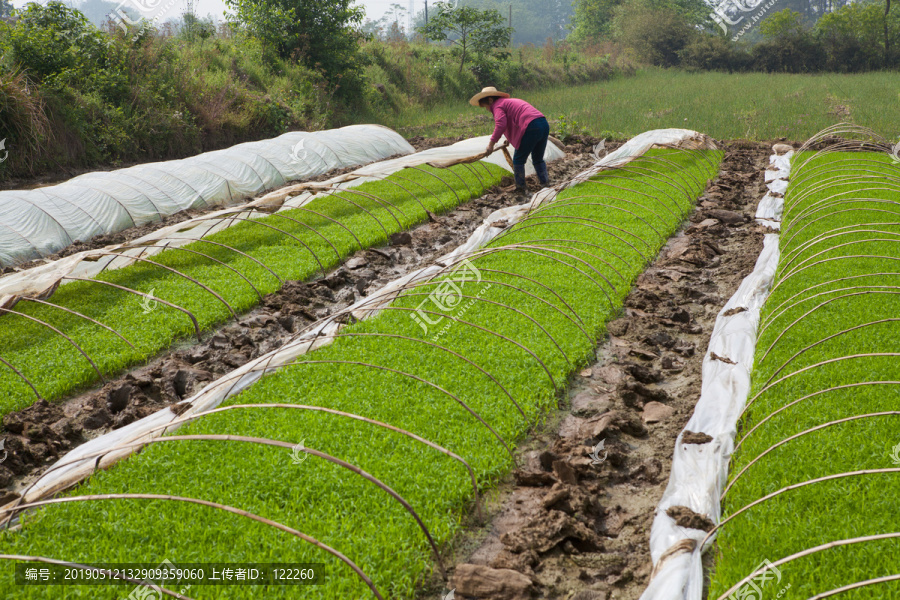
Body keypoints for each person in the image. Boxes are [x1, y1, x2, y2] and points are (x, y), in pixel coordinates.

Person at [469, 86, 550, 195]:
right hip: (543, 123)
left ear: (490, 100)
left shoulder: (497, 106)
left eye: (486, 107)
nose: (488, 109)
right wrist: (508, 138)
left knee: (518, 160)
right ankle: (545, 184)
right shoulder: (507, 102)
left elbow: (501, 124)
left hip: (531, 126)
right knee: (538, 158)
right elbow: (514, 119)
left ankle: (521, 189)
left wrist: (491, 144)